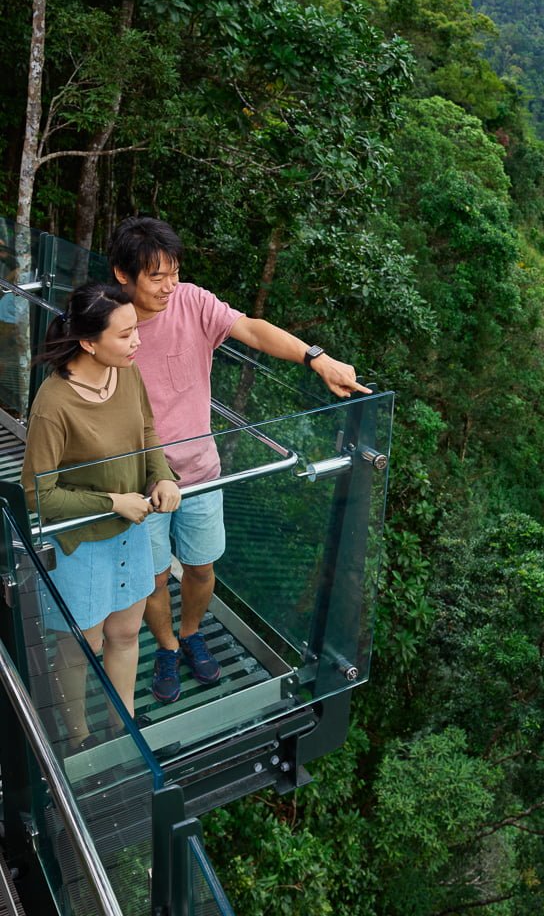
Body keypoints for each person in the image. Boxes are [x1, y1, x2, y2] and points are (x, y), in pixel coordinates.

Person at [107, 217, 370, 703]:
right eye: (156, 276)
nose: (170, 286)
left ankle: (190, 634)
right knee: (155, 578)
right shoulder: (107, 325)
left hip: (201, 471)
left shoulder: (190, 302)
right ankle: (166, 646)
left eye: (175, 272)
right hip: (138, 481)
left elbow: (249, 327)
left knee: (202, 569)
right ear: (124, 275)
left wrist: (317, 359)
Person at [21, 283, 181, 752]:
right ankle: (80, 738)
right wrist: (112, 501)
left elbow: (147, 431)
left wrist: (163, 476)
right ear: (89, 342)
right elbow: (37, 494)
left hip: (133, 530)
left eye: (136, 331)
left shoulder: (125, 374)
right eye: (126, 334)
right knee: (80, 647)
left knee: (126, 632)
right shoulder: (54, 405)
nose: (138, 342)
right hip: (82, 544)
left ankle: (122, 727)